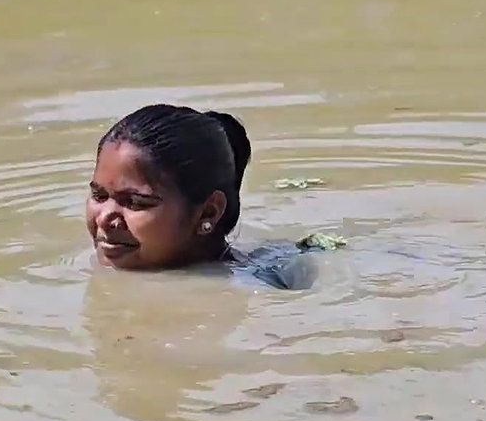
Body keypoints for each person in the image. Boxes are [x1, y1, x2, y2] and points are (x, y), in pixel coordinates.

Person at [85, 103, 315, 290]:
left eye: (136, 202)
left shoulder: (246, 298)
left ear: (209, 212)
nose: (105, 218)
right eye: (99, 195)